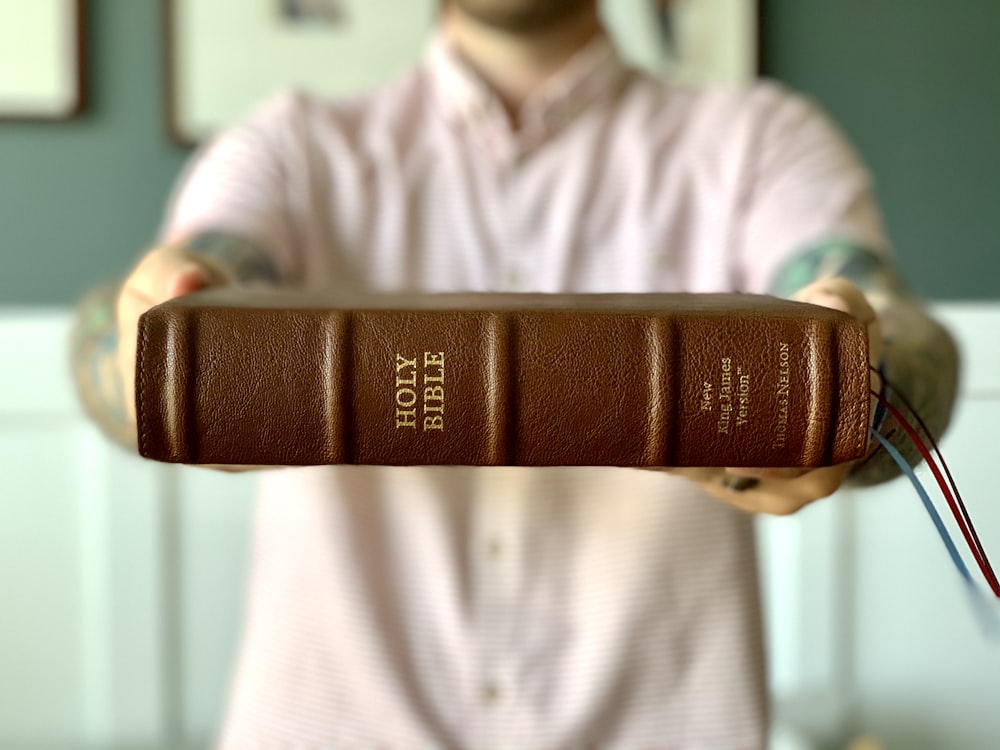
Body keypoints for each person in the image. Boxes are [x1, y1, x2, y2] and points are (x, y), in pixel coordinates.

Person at [71, 0, 959, 746]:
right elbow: (153, 322)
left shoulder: (761, 141)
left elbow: (897, 334)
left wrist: (853, 383)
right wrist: (175, 347)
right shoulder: (289, 146)